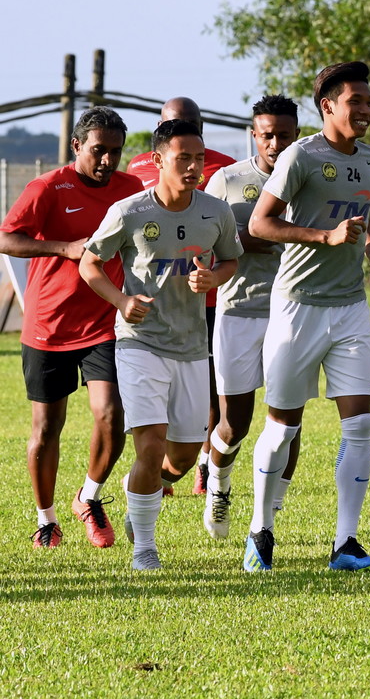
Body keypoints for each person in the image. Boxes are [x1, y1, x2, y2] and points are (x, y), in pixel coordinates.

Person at [244, 61, 370, 572]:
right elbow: (260, 224)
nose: (367, 110)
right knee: (283, 427)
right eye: (356, 101)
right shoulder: (300, 156)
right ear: (328, 107)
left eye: (369, 101)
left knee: (361, 425)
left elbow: (358, 216)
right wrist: (322, 238)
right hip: (297, 306)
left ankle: (345, 544)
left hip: (350, 306)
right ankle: (260, 532)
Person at [80, 119, 241, 570]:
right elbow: (90, 263)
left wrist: (213, 277)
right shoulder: (130, 211)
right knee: (149, 444)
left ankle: (139, 501)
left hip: (192, 347)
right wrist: (121, 300)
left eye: (199, 158)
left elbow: (230, 260)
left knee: (184, 456)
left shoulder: (216, 212)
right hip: (139, 344)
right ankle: (145, 549)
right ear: (158, 160)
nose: (193, 167)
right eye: (183, 158)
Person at [0, 107, 142, 548]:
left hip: (105, 321)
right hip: (50, 324)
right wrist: (64, 248)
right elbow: (7, 237)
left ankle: (91, 497)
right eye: (99, 151)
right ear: (77, 146)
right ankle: (47, 520)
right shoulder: (47, 187)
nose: (107, 161)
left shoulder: (130, 188)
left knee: (113, 414)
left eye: (115, 152)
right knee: (46, 430)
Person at [200, 95, 301, 538]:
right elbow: (202, 241)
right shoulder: (227, 180)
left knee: (289, 422)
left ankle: (269, 518)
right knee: (235, 421)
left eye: (283, 134)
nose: (275, 143)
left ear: (297, 134)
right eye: (267, 135)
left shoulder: (311, 175)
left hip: (296, 310)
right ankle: (218, 486)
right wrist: (246, 239)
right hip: (239, 311)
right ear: (253, 136)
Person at [127, 96, 237, 496]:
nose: (192, 164)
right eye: (173, 123)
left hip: (206, 301)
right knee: (153, 413)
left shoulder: (221, 165)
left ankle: (203, 463)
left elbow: (228, 244)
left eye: (190, 122)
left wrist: (215, 275)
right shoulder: (139, 165)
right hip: (151, 305)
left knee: (211, 387)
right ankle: (148, 471)